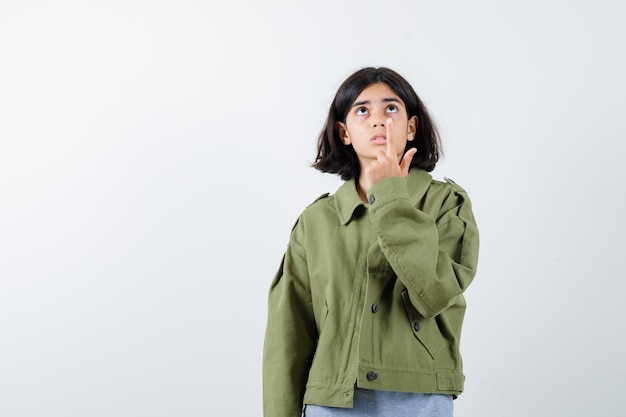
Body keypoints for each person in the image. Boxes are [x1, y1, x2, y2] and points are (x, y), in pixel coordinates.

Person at [262, 67, 480, 417]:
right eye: (362, 110)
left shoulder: (446, 204)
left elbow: (434, 292)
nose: (378, 119)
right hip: (331, 403)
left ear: (411, 127)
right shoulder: (316, 221)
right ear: (344, 132)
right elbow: (288, 335)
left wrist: (390, 197)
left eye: (391, 108)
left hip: (419, 399)